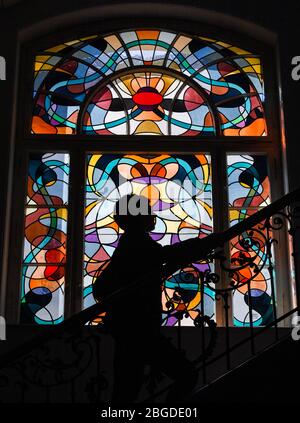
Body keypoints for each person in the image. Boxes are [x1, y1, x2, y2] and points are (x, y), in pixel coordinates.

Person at [93, 194, 224, 403]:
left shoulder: (130, 243)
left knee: (126, 391)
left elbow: (163, 256)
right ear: (139, 218)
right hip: (138, 330)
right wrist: (206, 242)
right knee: (184, 375)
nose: (151, 216)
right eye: (146, 212)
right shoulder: (138, 243)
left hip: (131, 329)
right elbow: (167, 255)